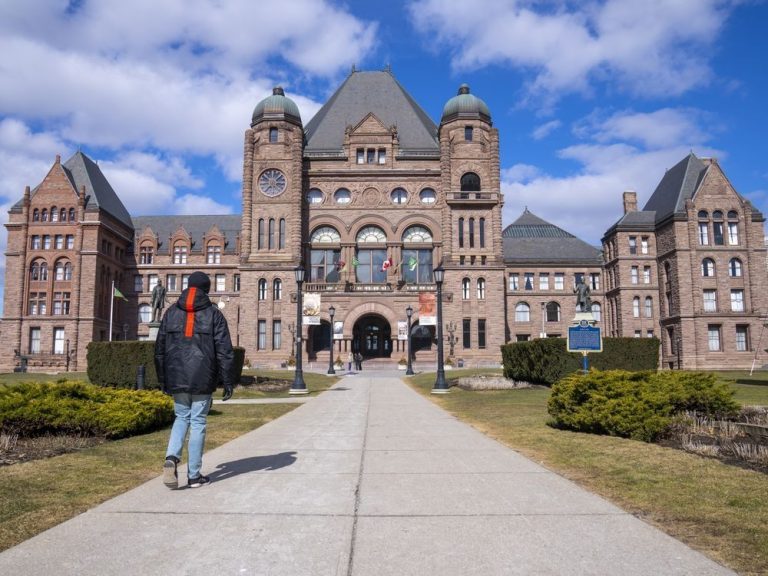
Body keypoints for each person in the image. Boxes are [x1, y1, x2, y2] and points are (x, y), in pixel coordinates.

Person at [155, 271, 234, 489]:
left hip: (177, 375)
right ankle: (194, 475)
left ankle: (171, 458)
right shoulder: (214, 314)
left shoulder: (171, 312)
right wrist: (228, 381)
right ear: (206, 290)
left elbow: (159, 350)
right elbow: (225, 351)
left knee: (181, 418)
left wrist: (163, 379)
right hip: (203, 375)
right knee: (198, 421)